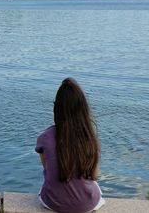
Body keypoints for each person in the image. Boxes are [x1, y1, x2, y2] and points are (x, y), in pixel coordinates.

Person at [35, 78, 105, 213]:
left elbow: (48, 168)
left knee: (46, 186)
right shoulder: (90, 138)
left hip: (54, 203)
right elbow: (93, 175)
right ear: (83, 109)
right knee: (94, 185)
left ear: (56, 108)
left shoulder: (45, 137)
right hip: (88, 205)